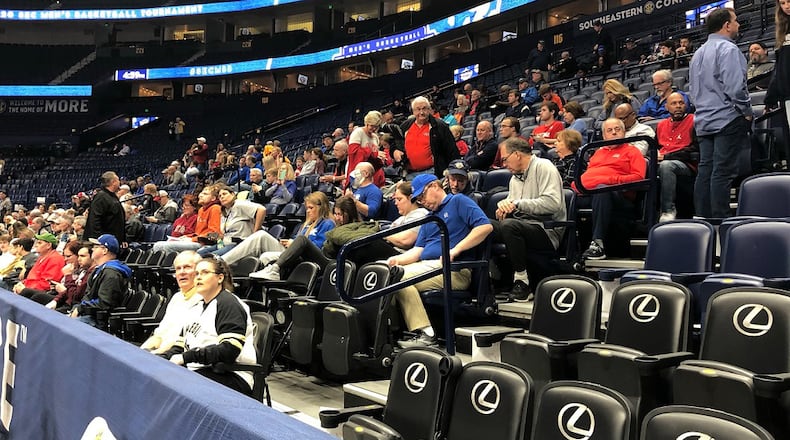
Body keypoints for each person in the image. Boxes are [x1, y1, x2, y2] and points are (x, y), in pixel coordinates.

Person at [387, 174, 492, 347]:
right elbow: (418, 251)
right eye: (418, 199)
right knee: (385, 272)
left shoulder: (459, 201)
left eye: (423, 196)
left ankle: (427, 334)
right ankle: (390, 332)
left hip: (453, 270)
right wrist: (395, 259)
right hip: (426, 266)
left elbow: (485, 227)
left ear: (435, 186)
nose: (422, 201)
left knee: (397, 278)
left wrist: (456, 249)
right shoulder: (429, 217)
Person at [689, 7, 753, 218]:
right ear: (726, 25)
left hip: (704, 121)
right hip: (727, 118)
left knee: (705, 170)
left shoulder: (697, 53)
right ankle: (720, 218)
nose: (738, 25)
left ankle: (702, 217)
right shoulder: (729, 49)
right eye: (736, 21)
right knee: (722, 171)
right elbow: (736, 88)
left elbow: (693, 92)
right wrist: (746, 111)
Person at [162, 256, 256, 396]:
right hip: (200, 370)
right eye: (197, 274)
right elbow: (180, 346)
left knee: (172, 386)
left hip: (232, 375)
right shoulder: (195, 306)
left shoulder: (228, 304)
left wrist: (187, 357)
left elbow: (230, 350)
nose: (199, 277)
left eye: (205, 272)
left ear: (220, 278)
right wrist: (159, 358)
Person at [494, 137, 566, 300]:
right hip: (521, 226)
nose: (504, 164)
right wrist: (504, 209)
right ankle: (491, 278)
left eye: (505, 159)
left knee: (510, 226)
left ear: (517, 155)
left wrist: (517, 204)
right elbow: (513, 206)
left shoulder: (544, 167)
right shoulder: (514, 178)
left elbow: (552, 204)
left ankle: (522, 282)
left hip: (546, 230)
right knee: (485, 226)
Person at [576, 118, 647, 260]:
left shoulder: (632, 152)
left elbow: (639, 177)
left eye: (617, 129)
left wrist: (609, 181)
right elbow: (590, 174)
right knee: (566, 197)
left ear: (624, 132)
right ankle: (567, 248)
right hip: (589, 192)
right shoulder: (598, 153)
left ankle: (598, 244)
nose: (614, 132)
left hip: (619, 196)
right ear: (604, 136)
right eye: (609, 130)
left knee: (602, 189)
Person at [245, 192, 337, 280]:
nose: (308, 211)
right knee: (264, 246)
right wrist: (289, 242)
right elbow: (296, 240)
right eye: (307, 208)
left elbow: (320, 247)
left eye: (311, 208)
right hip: (296, 254)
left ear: (321, 207)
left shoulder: (328, 223)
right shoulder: (306, 225)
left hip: (313, 258)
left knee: (300, 240)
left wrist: (294, 243)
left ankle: (274, 269)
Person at [140, 251, 203, 354]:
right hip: (160, 355)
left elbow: (183, 342)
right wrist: (142, 351)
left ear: (199, 271)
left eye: (187, 267)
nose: (182, 272)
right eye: (178, 268)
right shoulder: (177, 297)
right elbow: (160, 335)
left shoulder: (204, 300)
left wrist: (156, 354)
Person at [70, 234, 132, 328]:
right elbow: (88, 296)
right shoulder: (99, 269)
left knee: (67, 327)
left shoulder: (111, 273)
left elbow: (104, 304)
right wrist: (78, 308)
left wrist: (81, 309)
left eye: (96, 246)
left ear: (104, 250)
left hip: (99, 320)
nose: (93, 249)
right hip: (89, 314)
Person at [656, 92, 699, 222]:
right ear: (667, 107)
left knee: (666, 166)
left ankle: (668, 211)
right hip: (664, 160)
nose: (678, 106)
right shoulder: (661, 125)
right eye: (674, 103)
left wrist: (667, 157)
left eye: (681, 103)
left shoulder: (694, 120)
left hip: (685, 164)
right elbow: (656, 147)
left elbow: (695, 149)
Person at [396, 96, 459, 180]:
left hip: (432, 172)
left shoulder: (440, 126)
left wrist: (453, 171)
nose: (421, 112)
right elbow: (395, 142)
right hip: (410, 174)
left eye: (424, 108)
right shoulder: (405, 125)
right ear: (413, 111)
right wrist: (395, 151)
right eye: (418, 109)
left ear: (429, 110)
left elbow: (452, 150)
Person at [152, 185, 222, 253]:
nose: (200, 195)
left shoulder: (215, 208)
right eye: (201, 193)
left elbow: (214, 233)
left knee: (164, 246)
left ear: (213, 198)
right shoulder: (201, 210)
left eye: (205, 194)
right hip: (197, 240)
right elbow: (198, 233)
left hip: (205, 244)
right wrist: (186, 237)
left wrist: (192, 239)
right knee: (157, 245)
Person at [199, 186, 266, 256]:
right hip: (225, 243)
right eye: (219, 196)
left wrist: (255, 233)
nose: (222, 197)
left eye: (224, 194)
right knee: (199, 254)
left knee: (209, 257)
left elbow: (261, 210)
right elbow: (226, 233)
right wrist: (216, 236)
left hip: (239, 244)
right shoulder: (224, 211)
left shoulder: (239, 204)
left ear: (233, 194)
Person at [42, 241, 92, 311]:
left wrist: (68, 277)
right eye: (64, 256)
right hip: (64, 299)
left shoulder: (87, 273)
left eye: (68, 256)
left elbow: (74, 297)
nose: (65, 259)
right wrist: (55, 300)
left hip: (71, 304)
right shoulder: (80, 270)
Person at [13, 232, 66, 299]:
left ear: (48, 245)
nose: (36, 245)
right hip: (30, 289)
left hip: (39, 294)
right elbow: (31, 278)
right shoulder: (42, 257)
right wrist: (21, 284)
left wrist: (25, 289)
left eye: (39, 243)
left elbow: (48, 283)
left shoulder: (56, 259)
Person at [766, 0, 790, 129]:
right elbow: (780, 68)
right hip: (787, 96)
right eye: (783, 3)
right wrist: (770, 99)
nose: (787, 6)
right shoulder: (782, 30)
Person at [84, 171, 126, 244]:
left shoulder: (111, 196)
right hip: (103, 241)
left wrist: (122, 238)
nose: (120, 182)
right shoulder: (101, 197)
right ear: (113, 182)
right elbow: (95, 219)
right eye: (118, 180)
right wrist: (99, 240)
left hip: (112, 240)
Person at [348, 111, 386, 187]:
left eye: (376, 126)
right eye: (372, 126)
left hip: (372, 174)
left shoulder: (375, 137)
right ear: (366, 123)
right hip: (359, 174)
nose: (374, 129)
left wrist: (380, 159)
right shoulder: (358, 132)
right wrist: (373, 153)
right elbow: (353, 153)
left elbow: (374, 156)